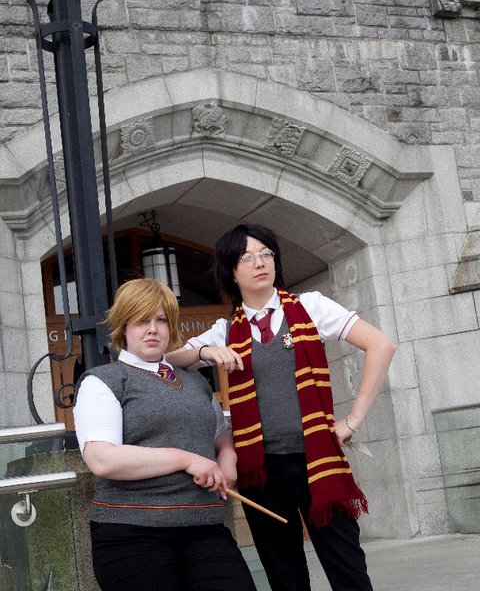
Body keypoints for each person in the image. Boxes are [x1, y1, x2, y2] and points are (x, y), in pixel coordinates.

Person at [167, 223, 397, 591]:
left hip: (317, 461)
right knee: (285, 578)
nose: (260, 263)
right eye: (247, 257)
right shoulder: (225, 331)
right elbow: (169, 362)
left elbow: (381, 345)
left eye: (266, 254)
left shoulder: (310, 307)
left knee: (349, 573)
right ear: (231, 271)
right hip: (261, 474)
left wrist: (353, 421)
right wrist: (206, 351)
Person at [73, 277, 256, 591]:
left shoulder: (195, 381)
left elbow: (219, 432)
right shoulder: (103, 381)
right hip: (131, 532)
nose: (152, 329)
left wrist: (227, 456)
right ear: (123, 327)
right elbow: (103, 460)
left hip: (205, 528)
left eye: (160, 320)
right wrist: (185, 459)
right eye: (141, 321)